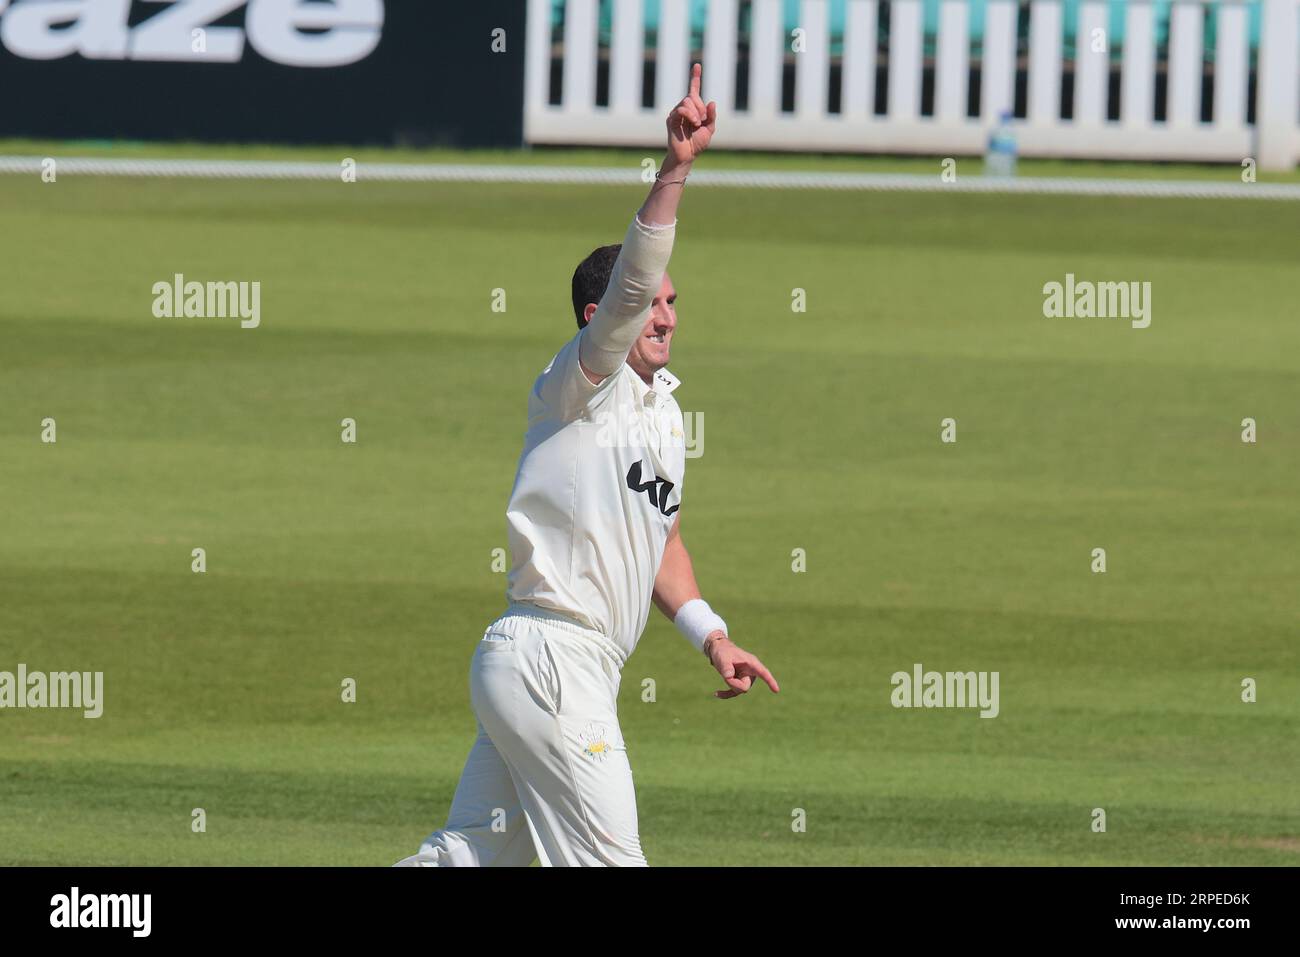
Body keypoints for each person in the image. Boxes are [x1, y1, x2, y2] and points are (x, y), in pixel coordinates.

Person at [397, 63, 778, 868]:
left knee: (472, 854)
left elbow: (660, 536)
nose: (666, 316)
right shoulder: (578, 383)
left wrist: (712, 634)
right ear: (597, 318)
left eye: (674, 303)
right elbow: (635, 274)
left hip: (553, 666)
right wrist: (676, 168)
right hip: (552, 658)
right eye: (652, 305)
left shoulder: (664, 411)